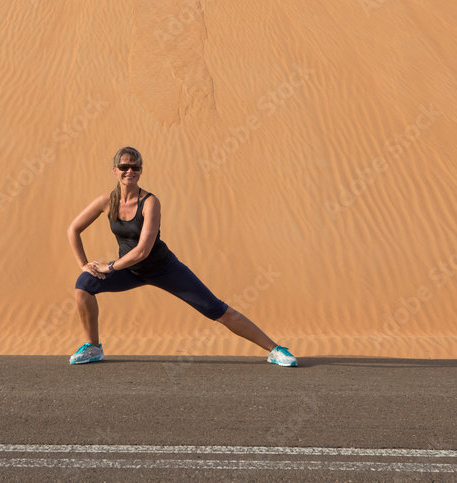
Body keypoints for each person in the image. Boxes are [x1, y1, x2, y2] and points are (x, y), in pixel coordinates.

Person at [66, 146, 297, 367]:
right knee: (84, 284)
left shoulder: (149, 202)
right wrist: (84, 264)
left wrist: (110, 266)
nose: (130, 171)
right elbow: (73, 229)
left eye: (136, 167)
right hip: (129, 270)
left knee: (216, 309)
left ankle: (275, 349)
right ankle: (94, 347)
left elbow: (143, 250)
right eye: (124, 166)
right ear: (115, 170)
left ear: (141, 171)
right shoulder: (107, 201)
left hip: (163, 269)